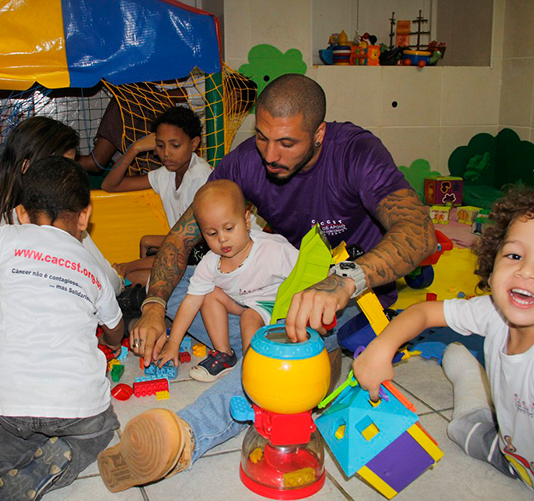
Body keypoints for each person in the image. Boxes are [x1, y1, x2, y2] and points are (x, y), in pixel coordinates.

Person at [97, 73, 437, 492]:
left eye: (286, 143)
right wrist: (152, 305)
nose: (270, 154)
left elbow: (419, 231)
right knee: (184, 284)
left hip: (348, 300)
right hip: (269, 291)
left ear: (318, 134)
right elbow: (181, 238)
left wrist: (346, 280)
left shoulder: (356, 153)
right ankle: (255, 355)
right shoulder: (246, 161)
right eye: (262, 137)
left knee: (290, 341)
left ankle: (184, 436)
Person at [0, 156, 124, 501]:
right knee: (103, 427)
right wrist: (111, 341)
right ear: (84, 216)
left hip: (12, 403)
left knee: (15, 436)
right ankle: (53, 467)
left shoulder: (4, 239)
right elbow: (115, 328)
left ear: (22, 213)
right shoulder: (92, 268)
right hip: (76, 404)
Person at [354, 185, 534, 488]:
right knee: (461, 429)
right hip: (513, 456)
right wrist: (381, 347)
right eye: (515, 255)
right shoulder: (493, 312)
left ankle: (471, 375)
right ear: (492, 266)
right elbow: (424, 312)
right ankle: (471, 375)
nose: (526, 271)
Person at [0, 116, 124, 294]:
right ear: (26, 167)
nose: (68, 179)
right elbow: (109, 282)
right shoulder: (47, 217)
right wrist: (117, 280)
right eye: (60, 171)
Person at [157, 180, 299, 382]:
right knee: (208, 294)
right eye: (212, 233)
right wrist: (173, 343)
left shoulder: (273, 249)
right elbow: (191, 302)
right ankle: (224, 354)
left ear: (247, 221)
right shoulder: (209, 263)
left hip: (279, 305)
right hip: (245, 302)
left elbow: (306, 273)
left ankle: (254, 369)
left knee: (249, 317)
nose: (222, 239)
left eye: (229, 228)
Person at [101, 106, 212, 287]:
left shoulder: (199, 175)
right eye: (160, 145)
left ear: (194, 144)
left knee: (130, 273)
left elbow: (199, 238)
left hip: (205, 255)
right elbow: (110, 185)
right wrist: (134, 149)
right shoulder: (166, 173)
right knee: (127, 270)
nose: (166, 152)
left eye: (175, 145)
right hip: (180, 250)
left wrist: (150, 245)